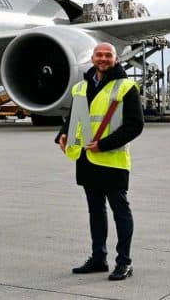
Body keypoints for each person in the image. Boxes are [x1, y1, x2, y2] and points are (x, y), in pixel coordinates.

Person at [57, 42, 143, 281]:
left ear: (116, 59)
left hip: (113, 160)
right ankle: (98, 258)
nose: (103, 58)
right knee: (95, 212)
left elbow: (135, 125)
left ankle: (124, 261)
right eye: (99, 55)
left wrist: (104, 144)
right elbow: (75, 117)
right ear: (92, 58)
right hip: (86, 159)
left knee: (120, 212)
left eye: (108, 55)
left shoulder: (125, 87)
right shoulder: (81, 87)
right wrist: (63, 134)